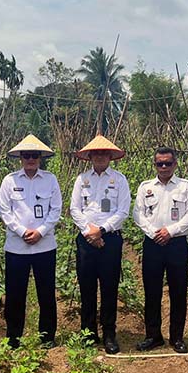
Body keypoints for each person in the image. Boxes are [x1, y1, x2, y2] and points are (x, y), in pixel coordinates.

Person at [0, 134, 62, 348]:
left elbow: (56, 210)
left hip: (45, 246)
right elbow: (5, 212)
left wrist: (41, 232)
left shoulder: (51, 179)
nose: (31, 159)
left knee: (46, 293)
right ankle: (13, 338)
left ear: (40, 158)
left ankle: (47, 338)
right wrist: (23, 231)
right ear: (21, 158)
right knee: (15, 294)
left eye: (34, 155)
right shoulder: (10, 181)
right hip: (17, 247)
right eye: (27, 155)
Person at [132, 147, 188, 353]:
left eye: (167, 163)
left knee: (178, 291)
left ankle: (177, 337)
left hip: (176, 244)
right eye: (159, 163)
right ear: (155, 165)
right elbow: (138, 214)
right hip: (152, 244)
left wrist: (170, 231)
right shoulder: (146, 187)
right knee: (152, 292)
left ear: (175, 164)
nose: (163, 167)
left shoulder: (186, 187)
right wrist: (154, 233)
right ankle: (153, 336)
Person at [69, 135, 131, 354]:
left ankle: (109, 334)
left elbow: (123, 211)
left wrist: (101, 230)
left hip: (110, 240)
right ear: (90, 156)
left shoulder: (119, 180)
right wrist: (89, 232)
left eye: (105, 153)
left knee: (109, 287)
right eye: (96, 153)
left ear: (110, 156)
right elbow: (75, 209)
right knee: (86, 287)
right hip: (86, 240)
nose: (101, 156)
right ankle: (88, 332)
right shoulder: (81, 179)